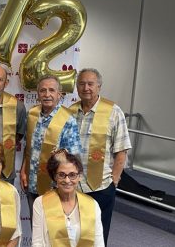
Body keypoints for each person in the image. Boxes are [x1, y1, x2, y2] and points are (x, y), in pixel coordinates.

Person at [70, 68, 132, 245]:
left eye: (91, 84)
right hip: (73, 185)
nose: (86, 88)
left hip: (101, 185)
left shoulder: (113, 111)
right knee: (73, 233)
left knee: (98, 235)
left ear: (99, 86)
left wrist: (115, 179)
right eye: (81, 84)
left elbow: (121, 150)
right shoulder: (70, 112)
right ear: (76, 87)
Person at [20, 75, 81, 219]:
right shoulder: (32, 114)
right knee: (36, 227)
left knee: (53, 231)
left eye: (52, 90)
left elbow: (73, 159)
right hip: (32, 183)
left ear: (59, 94)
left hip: (54, 187)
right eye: (43, 90)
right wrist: (23, 171)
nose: (47, 95)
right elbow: (28, 148)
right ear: (38, 94)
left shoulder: (67, 119)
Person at [32, 149, 104, 247]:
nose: (67, 180)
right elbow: (37, 243)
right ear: (55, 177)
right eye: (61, 175)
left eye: (72, 175)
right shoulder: (40, 203)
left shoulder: (92, 205)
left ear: (79, 177)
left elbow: (99, 244)